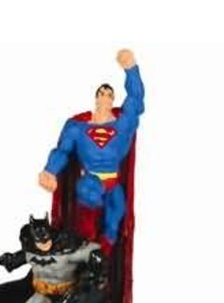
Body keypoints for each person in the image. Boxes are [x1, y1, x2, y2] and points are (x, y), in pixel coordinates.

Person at [38, 49, 145, 255]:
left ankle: (101, 258)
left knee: (116, 217)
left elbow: (136, 100)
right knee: (87, 221)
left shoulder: (122, 125)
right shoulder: (78, 127)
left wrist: (131, 69)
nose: (105, 97)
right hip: (89, 183)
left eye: (109, 94)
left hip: (112, 182)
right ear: (96, 98)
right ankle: (78, 251)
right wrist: (50, 171)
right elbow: (63, 150)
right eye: (101, 93)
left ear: (113, 99)